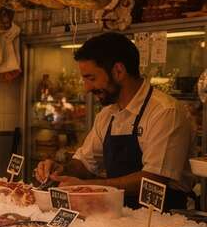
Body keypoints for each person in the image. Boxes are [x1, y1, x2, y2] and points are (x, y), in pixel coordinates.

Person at [34, 32, 195, 209]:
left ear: (118, 71)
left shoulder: (165, 112)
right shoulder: (107, 114)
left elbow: (153, 180)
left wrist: (88, 187)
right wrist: (60, 170)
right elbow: (85, 163)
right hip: (120, 215)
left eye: (91, 78)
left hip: (165, 216)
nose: (86, 88)